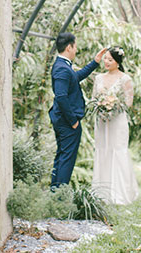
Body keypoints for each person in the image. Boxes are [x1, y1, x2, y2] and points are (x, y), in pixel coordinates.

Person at [49, 32, 107, 189]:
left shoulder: (63, 66)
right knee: (66, 159)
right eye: (75, 47)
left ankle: (54, 194)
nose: (76, 50)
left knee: (62, 157)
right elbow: (61, 97)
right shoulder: (62, 68)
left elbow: (75, 77)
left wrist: (95, 62)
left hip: (63, 120)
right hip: (67, 122)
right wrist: (73, 121)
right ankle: (60, 199)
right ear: (69, 47)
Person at [91, 46, 139, 204]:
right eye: (105, 58)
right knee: (103, 150)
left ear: (117, 62)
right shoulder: (98, 78)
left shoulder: (125, 79)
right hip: (102, 122)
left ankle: (120, 194)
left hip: (117, 121)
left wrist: (113, 105)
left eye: (110, 59)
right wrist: (102, 106)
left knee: (117, 151)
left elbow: (128, 103)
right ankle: (101, 193)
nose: (106, 62)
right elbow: (94, 99)